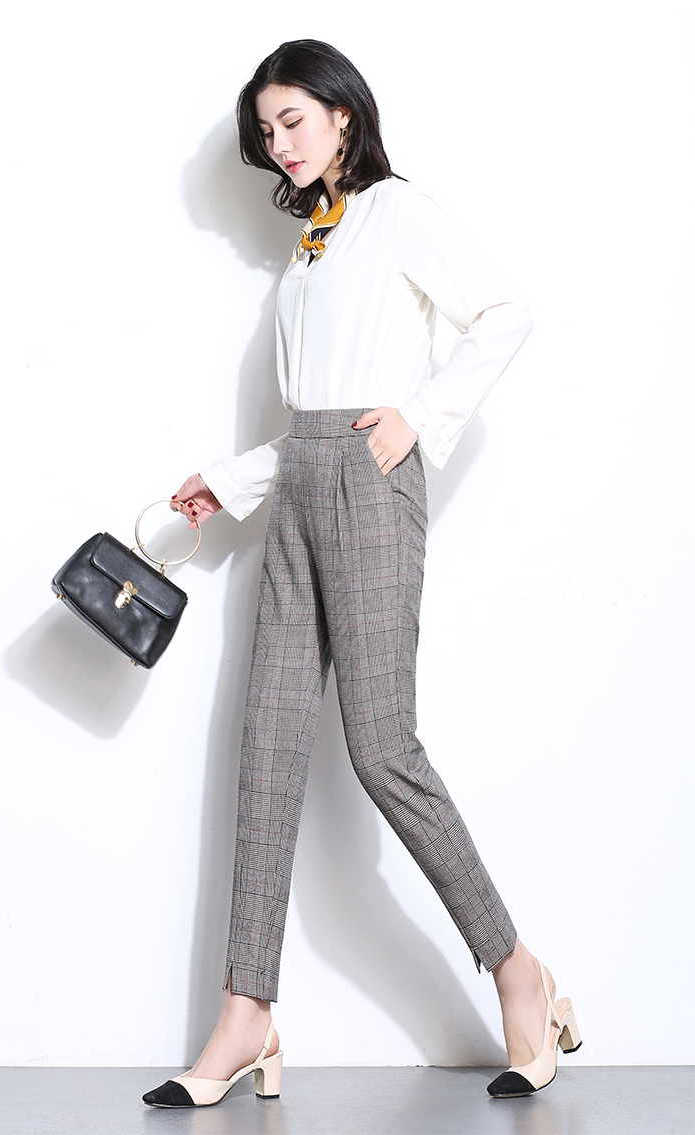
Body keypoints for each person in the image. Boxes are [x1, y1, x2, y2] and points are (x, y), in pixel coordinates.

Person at [143, 39, 581, 1110]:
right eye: (266, 131)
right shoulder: (311, 246)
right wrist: (225, 482)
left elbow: (506, 315)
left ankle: (517, 970)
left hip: (372, 490)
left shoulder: (398, 211)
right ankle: (247, 1011)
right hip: (299, 485)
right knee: (266, 747)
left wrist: (420, 418)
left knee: (383, 746)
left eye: (293, 120)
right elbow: (310, 417)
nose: (279, 144)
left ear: (343, 112)